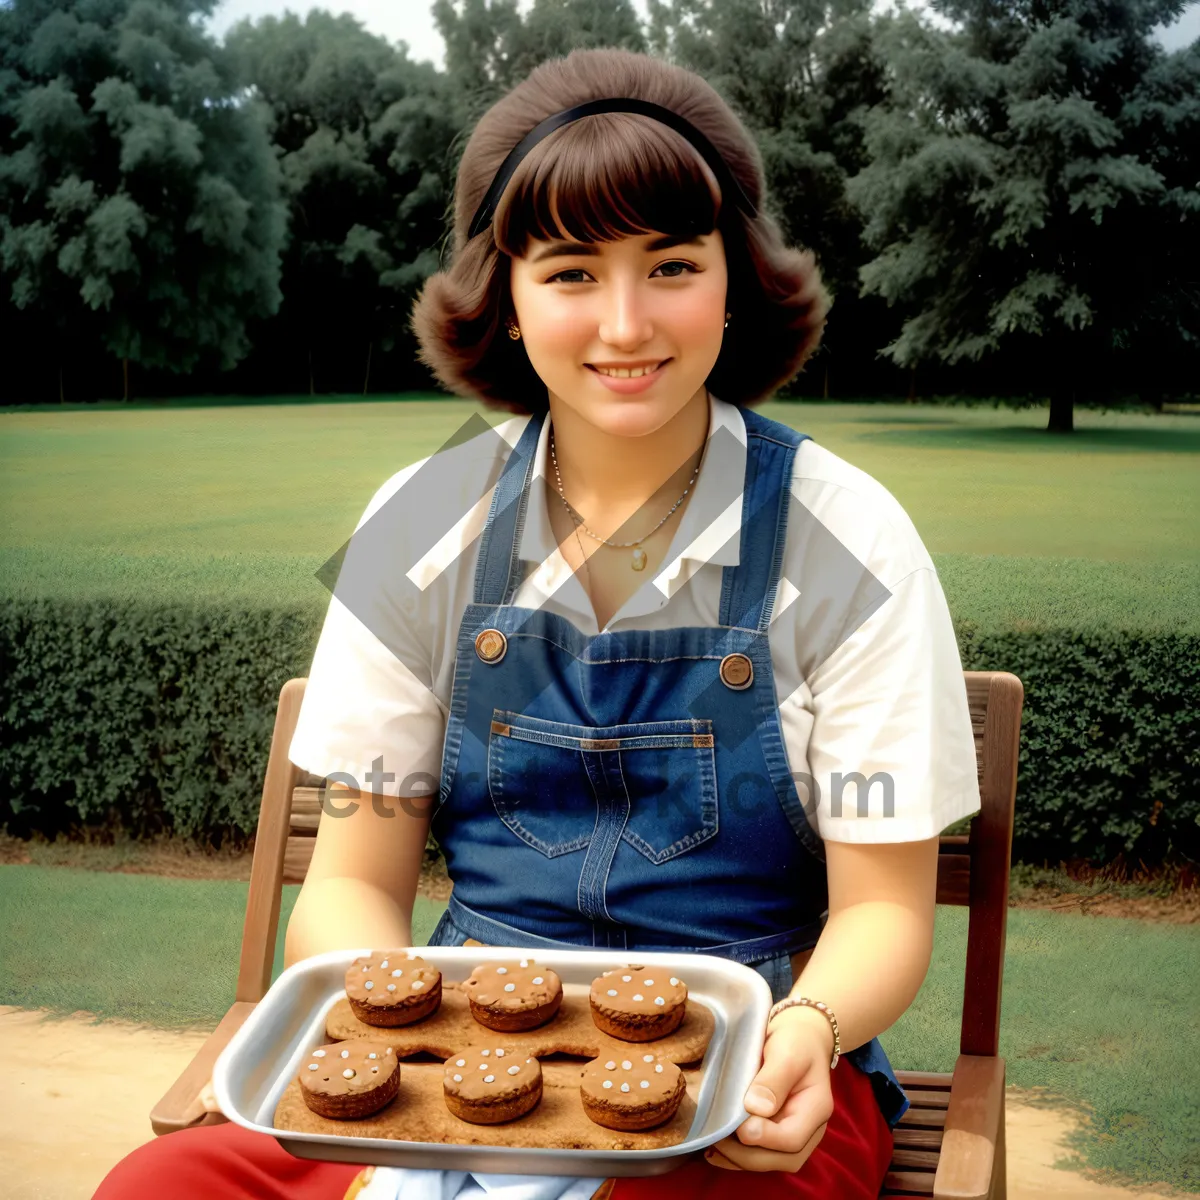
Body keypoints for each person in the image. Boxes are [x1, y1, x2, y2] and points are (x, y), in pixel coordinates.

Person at [94, 46, 981, 1200]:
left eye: (671, 265)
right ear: (505, 296)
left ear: (736, 279)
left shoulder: (848, 534)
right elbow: (354, 879)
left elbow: (881, 911)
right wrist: (408, 1033)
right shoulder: (419, 519)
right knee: (159, 1188)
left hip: (747, 1061)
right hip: (453, 1038)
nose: (625, 325)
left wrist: (810, 1025)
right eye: (570, 272)